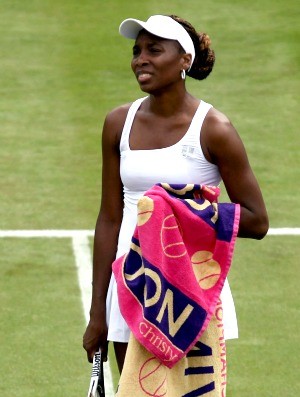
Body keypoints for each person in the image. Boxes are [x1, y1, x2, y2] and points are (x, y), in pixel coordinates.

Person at [83, 14, 269, 375]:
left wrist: (182, 213)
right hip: (132, 283)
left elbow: (257, 220)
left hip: (190, 289)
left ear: (185, 60)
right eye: (137, 51)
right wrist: (97, 312)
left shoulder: (214, 129)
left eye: (155, 49)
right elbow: (109, 218)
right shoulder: (117, 123)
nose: (141, 59)